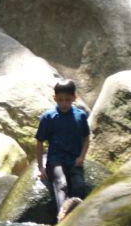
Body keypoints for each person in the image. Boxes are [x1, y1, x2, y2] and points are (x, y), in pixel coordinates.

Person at [35, 80, 91, 218]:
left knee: (78, 185)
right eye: (60, 100)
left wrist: (81, 157)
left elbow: (86, 138)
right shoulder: (48, 117)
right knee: (61, 183)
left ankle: (76, 214)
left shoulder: (80, 116)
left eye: (67, 100)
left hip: (74, 159)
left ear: (74, 98)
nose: (64, 103)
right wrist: (40, 167)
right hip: (55, 160)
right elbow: (39, 142)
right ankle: (63, 214)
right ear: (54, 98)